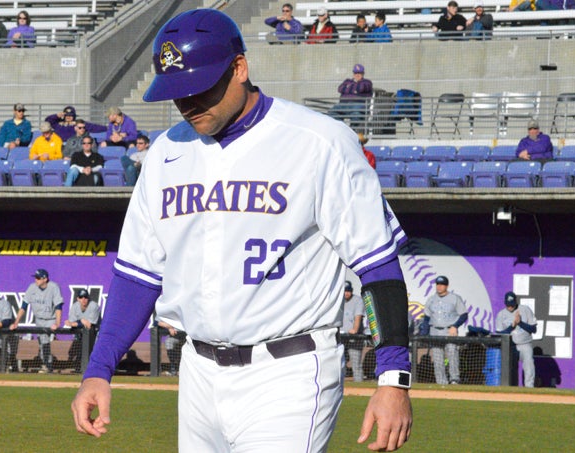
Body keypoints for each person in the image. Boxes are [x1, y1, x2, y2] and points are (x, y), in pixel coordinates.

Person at [71, 9, 413, 452]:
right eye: (177, 92)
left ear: (239, 68)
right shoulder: (166, 153)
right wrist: (98, 370)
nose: (188, 102)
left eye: (200, 88)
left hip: (288, 370)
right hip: (196, 370)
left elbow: (377, 264)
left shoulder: (319, 141)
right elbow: (138, 274)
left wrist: (393, 378)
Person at [10, 269, 63, 373]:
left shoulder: (53, 287)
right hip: (39, 319)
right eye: (35, 277)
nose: (36, 280)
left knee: (45, 342)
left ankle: (47, 365)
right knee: (42, 343)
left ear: (45, 279)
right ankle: (47, 365)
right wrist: (16, 322)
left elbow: (58, 306)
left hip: (50, 319)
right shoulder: (32, 288)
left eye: (38, 278)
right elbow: (24, 306)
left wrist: (57, 322)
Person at [419, 275, 468, 385]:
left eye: (442, 284)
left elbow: (464, 315)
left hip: (449, 330)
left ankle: (454, 379)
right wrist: (424, 333)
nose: (439, 287)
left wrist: (455, 326)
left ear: (447, 286)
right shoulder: (431, 299)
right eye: (438, 284)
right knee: (437, 359)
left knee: (452, 354)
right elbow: (426, 317)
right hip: (435, 330)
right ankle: (441, 382)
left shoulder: (454, 298)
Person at [495, 291, 537, 387]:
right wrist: (512, 326)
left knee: (529, 364)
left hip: (525, 344)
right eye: (508, 305)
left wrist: (520, 323)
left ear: (516, 302)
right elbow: (499, 334)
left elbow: (534, 329)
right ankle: (513, 390)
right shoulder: (501, 314)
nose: (510, 307)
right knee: (511, 369)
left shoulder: (525, 309)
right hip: (510, 346)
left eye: (512, 305)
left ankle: (529, 388)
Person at [65, 288, 101, 371]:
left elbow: (89, 324)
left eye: (85, 297)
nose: (83, 299)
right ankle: (80, 369)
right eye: (81, 297)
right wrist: (80, 321)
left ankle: (95, 370)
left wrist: (78, 321)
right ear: (77, 298)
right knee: (77, 351)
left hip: (95, 332)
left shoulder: (93, 306)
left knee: (94, 352)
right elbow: (71, 323)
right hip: (82, 334)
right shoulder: (75, 306)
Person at [328, 64, 373, 130]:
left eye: (359, 73)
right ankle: (341, 129)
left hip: (358, 105)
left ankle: (352, 131)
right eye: (355, 73)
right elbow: (340, 89)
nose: (357, 75)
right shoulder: (347, 81)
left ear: (363, 73)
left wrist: (348, 87)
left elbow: (361, 88)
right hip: (343, 104)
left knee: (356, 115)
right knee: (332, 112)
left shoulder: (367, 82)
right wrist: (354, 88)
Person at [341, 281, 366, 382]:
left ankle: (360, 387)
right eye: (345, 291)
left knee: (356, 365)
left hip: (354, 338)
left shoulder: (357, 300)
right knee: (339, 364)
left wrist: (355, 329)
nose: (346, 293)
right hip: (340, 337)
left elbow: (358, 317)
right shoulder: (337, 300)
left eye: (348, 291)